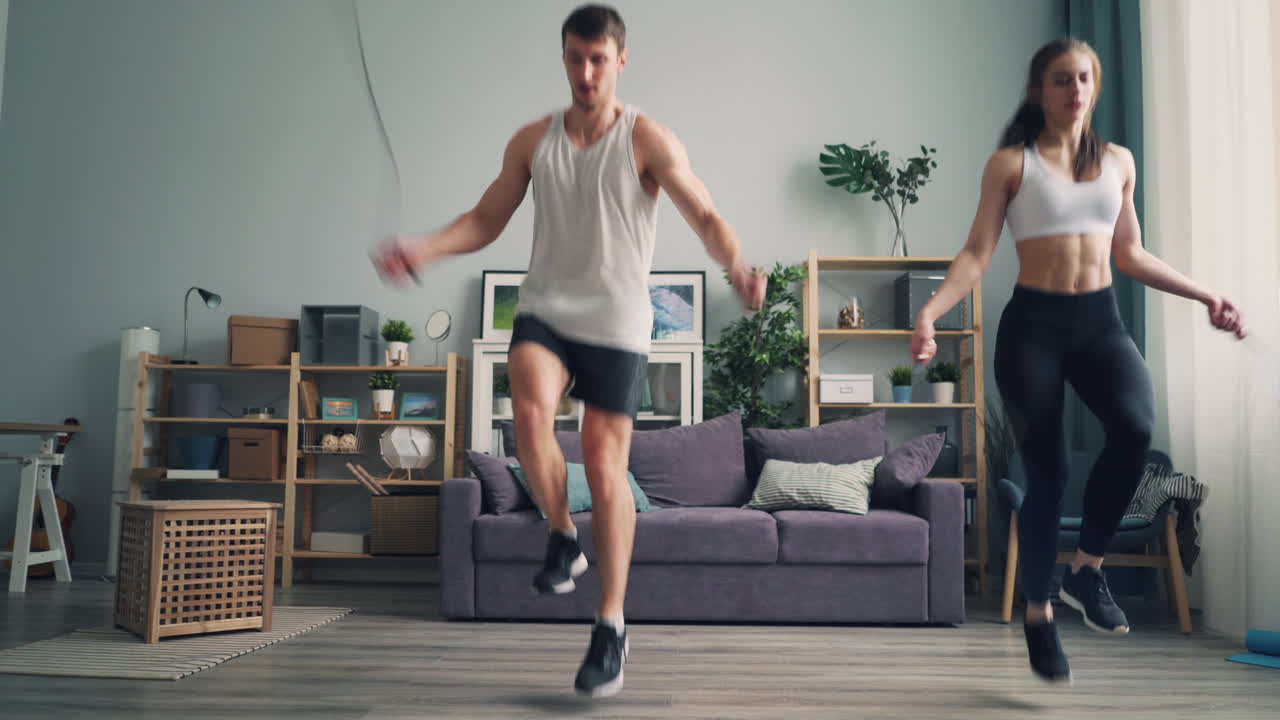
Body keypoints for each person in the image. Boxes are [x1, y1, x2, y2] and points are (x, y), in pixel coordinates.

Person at [371, 4, 766, 697]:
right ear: (564, 59)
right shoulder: (534, 140)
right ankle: (561, 534)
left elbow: (703, 212)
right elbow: (487, 218)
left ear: (621, 61)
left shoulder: (647, 139)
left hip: (617, 320)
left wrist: (735, 263)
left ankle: (610, 624)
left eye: (598, 60)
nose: (586, 73)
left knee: (608, 469)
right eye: (575, 59)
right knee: (527, 410)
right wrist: (423, 247)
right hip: (548, 308)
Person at [910, 37, 1246, 683]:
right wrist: (930, 313)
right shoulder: (1012, 164)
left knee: (1136, 427)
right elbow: (977, 254)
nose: (1077, 90)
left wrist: (1205, 293)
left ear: (1095, 87)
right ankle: (1038, 614)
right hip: (1033, 326)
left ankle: (1085, 572)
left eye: (1086, 78)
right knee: (1050, 468)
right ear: (1040, 90)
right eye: (1063, 79)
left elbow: (1131, 254)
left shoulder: (1119, 162)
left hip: (1099, 323)